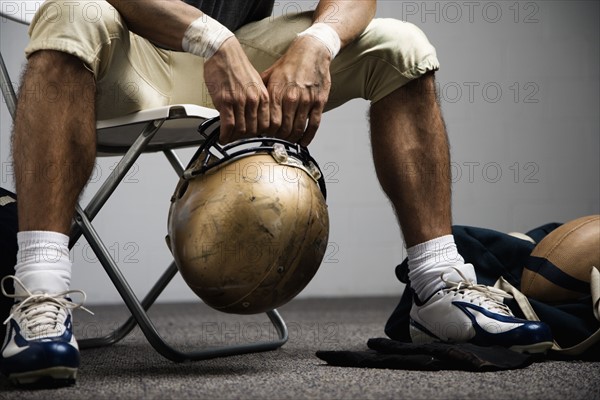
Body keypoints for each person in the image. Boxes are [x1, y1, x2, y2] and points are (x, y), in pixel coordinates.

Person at [1, 0, 552, 386]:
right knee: (72, 7)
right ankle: (39, 296)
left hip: (235, 58)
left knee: (401, 45)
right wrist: (211, 39)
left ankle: (437, 289)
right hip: (120, 50)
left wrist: (317, 41)